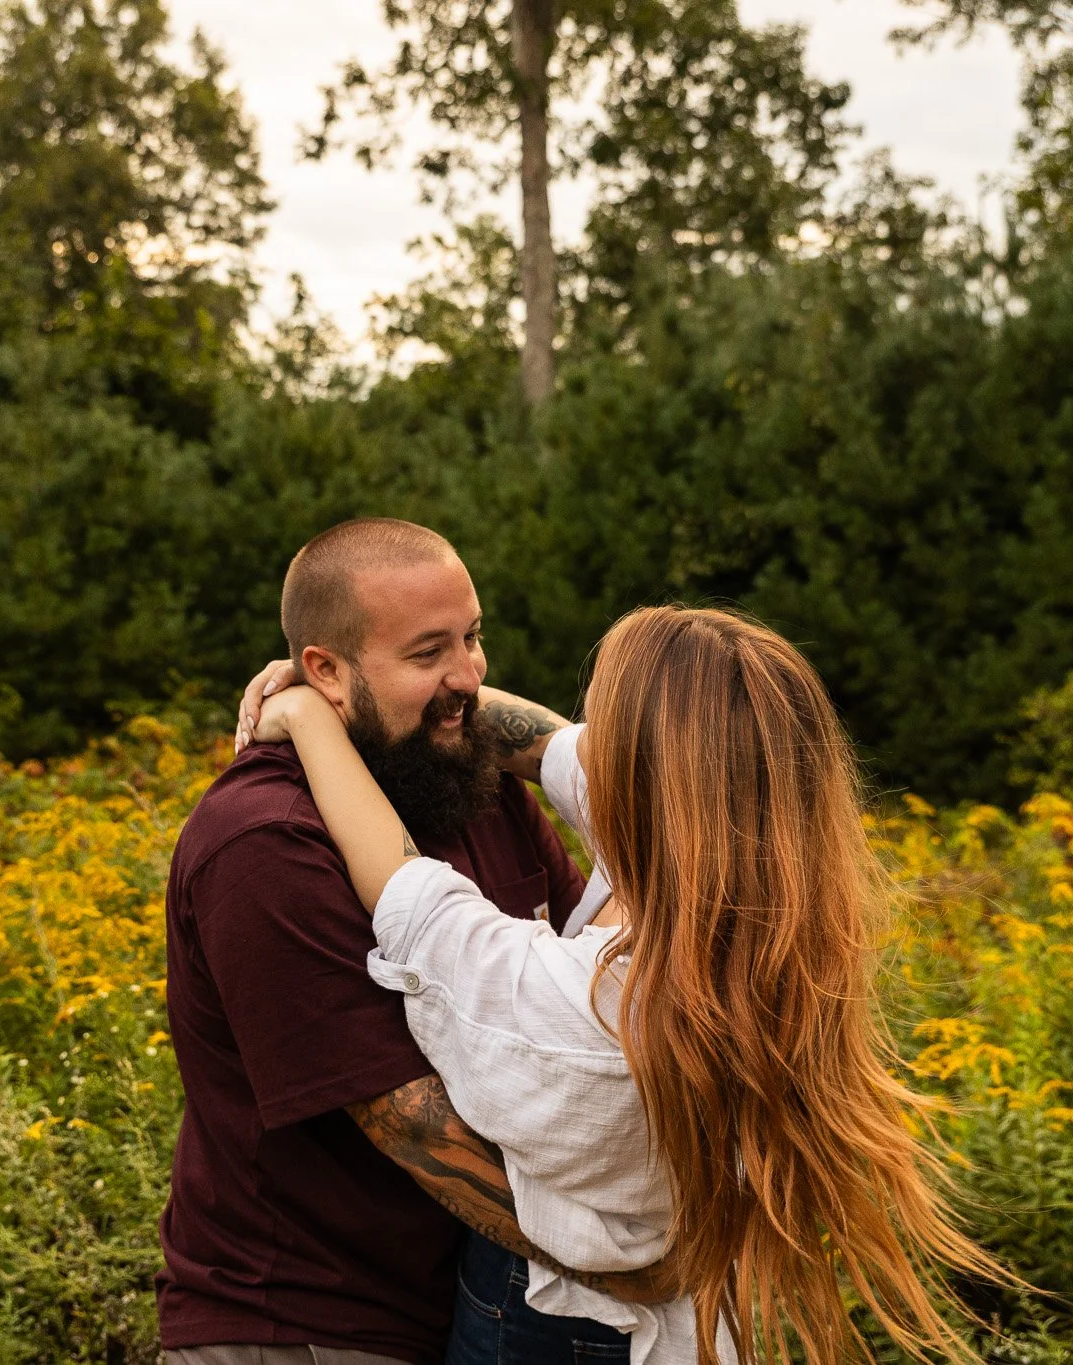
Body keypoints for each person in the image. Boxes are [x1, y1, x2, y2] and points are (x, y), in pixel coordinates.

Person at [241, 604, 1009, 1365]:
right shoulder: (752, 888)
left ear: (644, 776)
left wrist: (311, 717)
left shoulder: (603, 1002)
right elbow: (547, 743)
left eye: (607, 725)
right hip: (692, 1313)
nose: (588, 739)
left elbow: (413, 895)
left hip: (562, 1323)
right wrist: (385, 690)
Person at [155, 519, 667, 1365]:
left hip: (467, 1305)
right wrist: (637, 1259)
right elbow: (417, 1131)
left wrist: (326, 701)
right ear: (328, 668)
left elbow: (575, 1004)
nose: (468, 674)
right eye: (428, 652)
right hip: (309, 1324)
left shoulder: (465, 778)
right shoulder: (267, 842)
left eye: (473, 636)